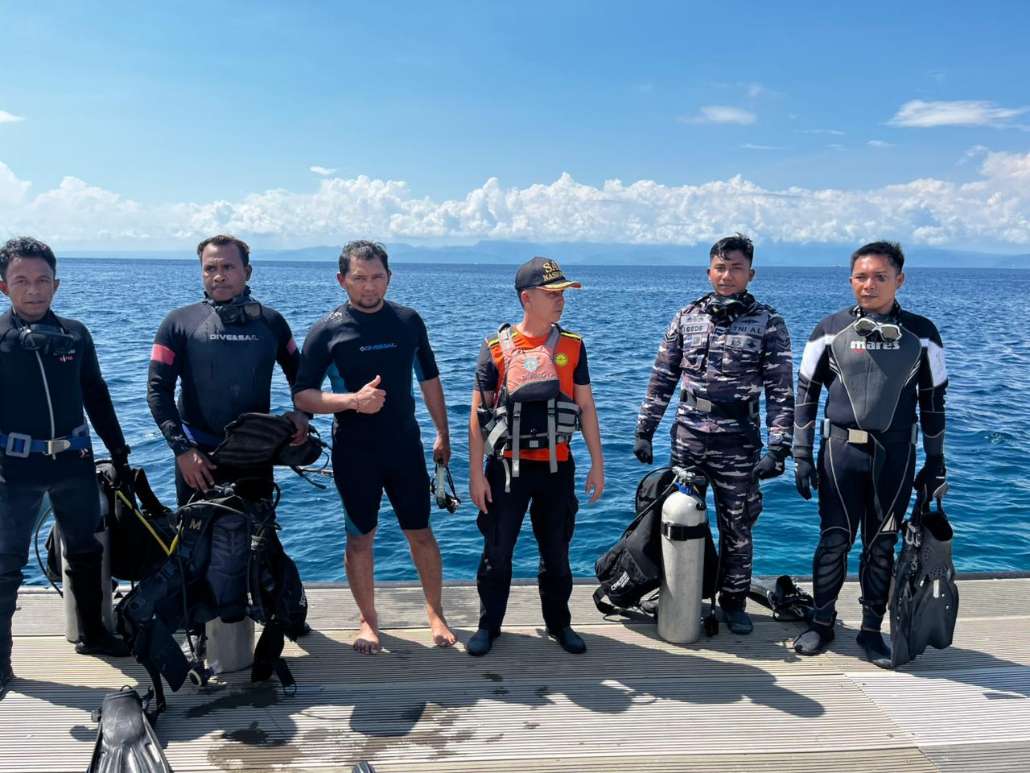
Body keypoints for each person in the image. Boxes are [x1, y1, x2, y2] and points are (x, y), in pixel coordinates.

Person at [292, 241, 455, 654]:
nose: (369, 286)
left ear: (389, 277)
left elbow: (429, 378)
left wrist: (443, 432)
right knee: (360, 538)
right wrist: (352, 401)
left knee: (420, 532)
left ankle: (435, 612)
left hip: (404, 447)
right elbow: (303, 395)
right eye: (359, 278)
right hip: (355, 452)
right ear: (342, 280)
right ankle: (368, 619)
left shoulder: (408, 321)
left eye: (377, 277)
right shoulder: (327, 331)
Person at [791, 241, 948, 667]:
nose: (869, 285)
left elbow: (934, 402)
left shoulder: (923, 334)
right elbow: (805, 394)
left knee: (882, 545)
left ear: (900, 280)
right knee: (834, 540)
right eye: (861, 277)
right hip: (840, 451)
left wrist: (936, 463)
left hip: (895, 455)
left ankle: (871, 630)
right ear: (850, 280)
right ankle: (821, 622)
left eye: (880, 276)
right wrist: (801, 453)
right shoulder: (829, 329)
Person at [634, 234, 794, 635]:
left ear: (751, 274)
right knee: (680, 519)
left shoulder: (768, 323)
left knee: (737, 526)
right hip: (688, 439)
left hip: (738, 442)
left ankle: (733, 601)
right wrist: (645, 430)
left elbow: (780, 390)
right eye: (720, 268)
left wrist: (778, 448)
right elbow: (662, 377)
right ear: (709, 272)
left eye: (736, 268)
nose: (727, 276)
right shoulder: (686, 317)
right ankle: (680, 595)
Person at [0, 237, 132, 698]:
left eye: (42, 280)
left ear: (56, 284)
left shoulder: (76, 334)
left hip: (74, 463)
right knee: (5, 566)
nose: (33, 290)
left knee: (86, 552)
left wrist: (119, 451)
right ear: (4, 286)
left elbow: (96, 392)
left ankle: (93, 634)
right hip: (14, 469)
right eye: (21, 280)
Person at [467, 256, 605, 657]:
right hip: (506, 469)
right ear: (526, 298)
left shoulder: (573, 346)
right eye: (551, 294)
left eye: (563, 293)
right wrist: (476, 475)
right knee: (497, 552)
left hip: (556, 468)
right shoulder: (495, 348)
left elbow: (586, 406)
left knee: (557, 552)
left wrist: (597, 464)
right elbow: (478, 415)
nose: (560, 300)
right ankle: (488, 627)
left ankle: (559, 624)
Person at [147, 234, 309, 505]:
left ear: (247, 271)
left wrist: (303, 413)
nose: (219, 276)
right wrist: (182, 450)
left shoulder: (272, 322)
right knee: (197, 530)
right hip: (198, 459)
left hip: (256, 455)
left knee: (258, 529)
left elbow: (301, 375)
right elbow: (157, 390)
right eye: (210, 268)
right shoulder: (178, 323)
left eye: (228, 267)